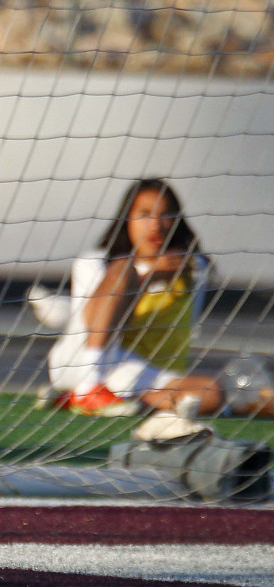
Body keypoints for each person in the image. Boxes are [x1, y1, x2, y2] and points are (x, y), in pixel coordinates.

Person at [44, 177, 274, 418]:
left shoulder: (191, 268)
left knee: (211, 393)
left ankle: (110, 402)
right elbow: (94, 324)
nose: (156, 226)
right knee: (124, 268)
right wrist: (151, 277)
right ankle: (88, 388)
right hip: (81, 363)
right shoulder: (97, 263)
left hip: (132, 370)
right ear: (127, 219)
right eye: (144, 214)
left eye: (165, 215)